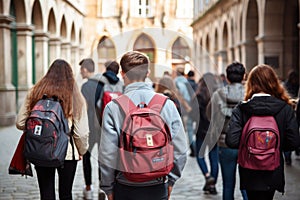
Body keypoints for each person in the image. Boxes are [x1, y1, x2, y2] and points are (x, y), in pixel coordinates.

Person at [99, 51, 188, 200]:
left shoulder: (113, 107)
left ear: (122, 73)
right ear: (147, 73)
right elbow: (180, 149)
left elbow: (108, 154)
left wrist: (108, 188)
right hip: (158, 184)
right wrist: (171, 181)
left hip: (125, 184)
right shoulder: (166, 104)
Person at [16, 59, 89, 200]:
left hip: (41, 149)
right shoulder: (75, 96)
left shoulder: (35, 92)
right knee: (66, 194)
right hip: (67, 153)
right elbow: (81, 132)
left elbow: (20, 122)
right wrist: (81, 150)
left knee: (46, 194)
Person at [226, 64, 300, 200]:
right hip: (273, 167)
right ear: (274, 82)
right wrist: (274, 147)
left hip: (249, 170)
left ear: (251, 83)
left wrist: (251, 147)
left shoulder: (242, 109)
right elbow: (294, 142)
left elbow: (231, 141)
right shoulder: (285, 108)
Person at [207, 62, 248, 200]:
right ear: (244, 77)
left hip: (225, 144)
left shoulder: (218, 94)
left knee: (228, 185)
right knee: (247, 185)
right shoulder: (249, 93)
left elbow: (209, 114)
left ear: (227, 77)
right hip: (247, 143)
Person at [79, 58, 103, 199]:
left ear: (85, 70)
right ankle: (102, 187)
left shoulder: (85, 86)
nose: (81, 72)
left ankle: (88, 187)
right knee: (102, 158)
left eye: (81, 69)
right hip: (102, 126)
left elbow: (85, 107)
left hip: (89, 126)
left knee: (86, 156)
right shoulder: (102, 84)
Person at [194, 72, 222, 195]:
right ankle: (212, 185)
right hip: (214, 131)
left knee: (199, 155)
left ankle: (207, 176)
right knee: (214, 158)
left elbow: (195, 115)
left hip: (201, 130)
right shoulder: (218, 95)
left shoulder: (198, 95)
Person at [174, 66, 195, 156]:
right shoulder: (186, 81)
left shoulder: (175, 82)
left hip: (180, 108)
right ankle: (193, 147)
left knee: (179, 129)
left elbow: (179, 96)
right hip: (189, 107)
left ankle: (181, 149)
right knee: (189, 128)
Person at [283, 70, 299, 165]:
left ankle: (294, 152)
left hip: (293, 112)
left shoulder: (295, 85)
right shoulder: (286, 86)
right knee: (288, 134)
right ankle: (288, 157)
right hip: (289, 111)